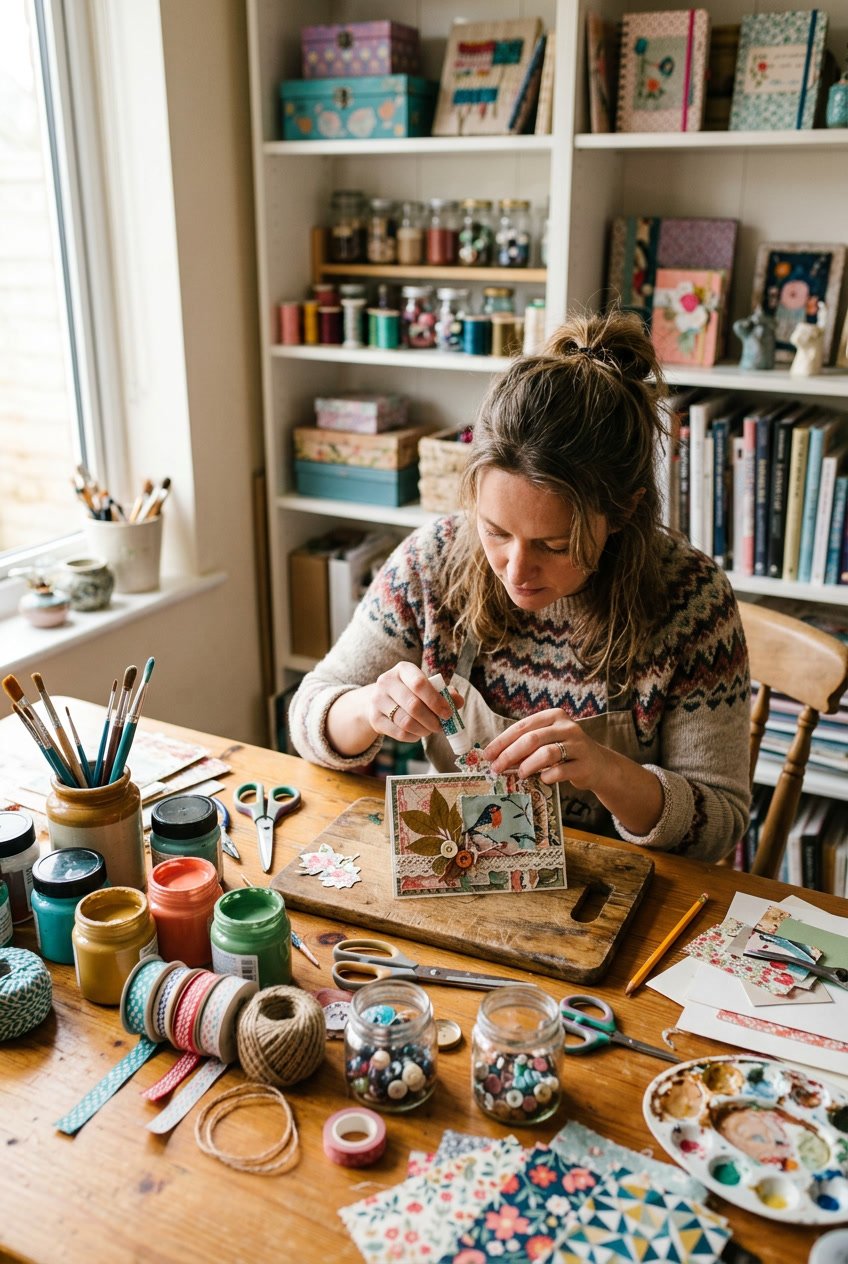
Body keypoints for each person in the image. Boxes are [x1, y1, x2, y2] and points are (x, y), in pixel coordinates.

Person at [289, 310, 751, 862]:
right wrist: (367, 708)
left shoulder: (693, 604)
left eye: (554, 545)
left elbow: (721, 822)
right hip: (467, 868)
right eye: (495, 531)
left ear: (623, 511)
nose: (515, 570)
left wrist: (607, 771)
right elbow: (309, 714)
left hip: (625, 891)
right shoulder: (430, 563)